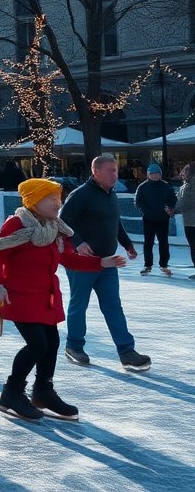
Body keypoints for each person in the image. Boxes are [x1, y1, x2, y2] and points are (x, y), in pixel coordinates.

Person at [0, 179, 122, 421]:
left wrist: (101, 262)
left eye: (59, 198)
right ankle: (11, 393)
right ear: (35, 200)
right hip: (18, 295)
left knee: (52, 342)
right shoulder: (17, 224)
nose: (58, 203)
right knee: (37, 344)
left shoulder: (55, 227)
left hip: (46, 296)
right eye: (51, 198)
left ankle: (43, 392)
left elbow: (68, 258)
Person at [59, 154, 149, 371]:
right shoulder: (81, 194)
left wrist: (127, 244)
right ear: (95, 172)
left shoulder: (112, 195)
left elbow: (115, 223)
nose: (114, 174)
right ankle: (74, 346)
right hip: (83, 263)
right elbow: (62, 220)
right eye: (109, 170)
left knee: (113, 306)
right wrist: (78, 242)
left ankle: (127, 351)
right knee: (79, 304)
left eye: (116, 170)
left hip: (108, 262)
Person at [134, 162, 177, 277]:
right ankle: (147, 265)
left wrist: (170, 208)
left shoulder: (166, 186)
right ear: (148, 175)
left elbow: (173, 199)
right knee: (148, 242)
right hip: (148, 219)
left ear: (160, 175)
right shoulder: (142, 187)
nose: (155, 176)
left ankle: (164, 264)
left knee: (163, 242)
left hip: (163, 219)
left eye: (157, 173)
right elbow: (138, 202)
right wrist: (146, 211)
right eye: (152, 173)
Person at [177, 163, 195, 279]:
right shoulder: (185, 185)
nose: (181, 174)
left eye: (184, 171)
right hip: (189, 220)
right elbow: (180, 199)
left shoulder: (191, 185)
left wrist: (173, 210)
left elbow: (186, 201)